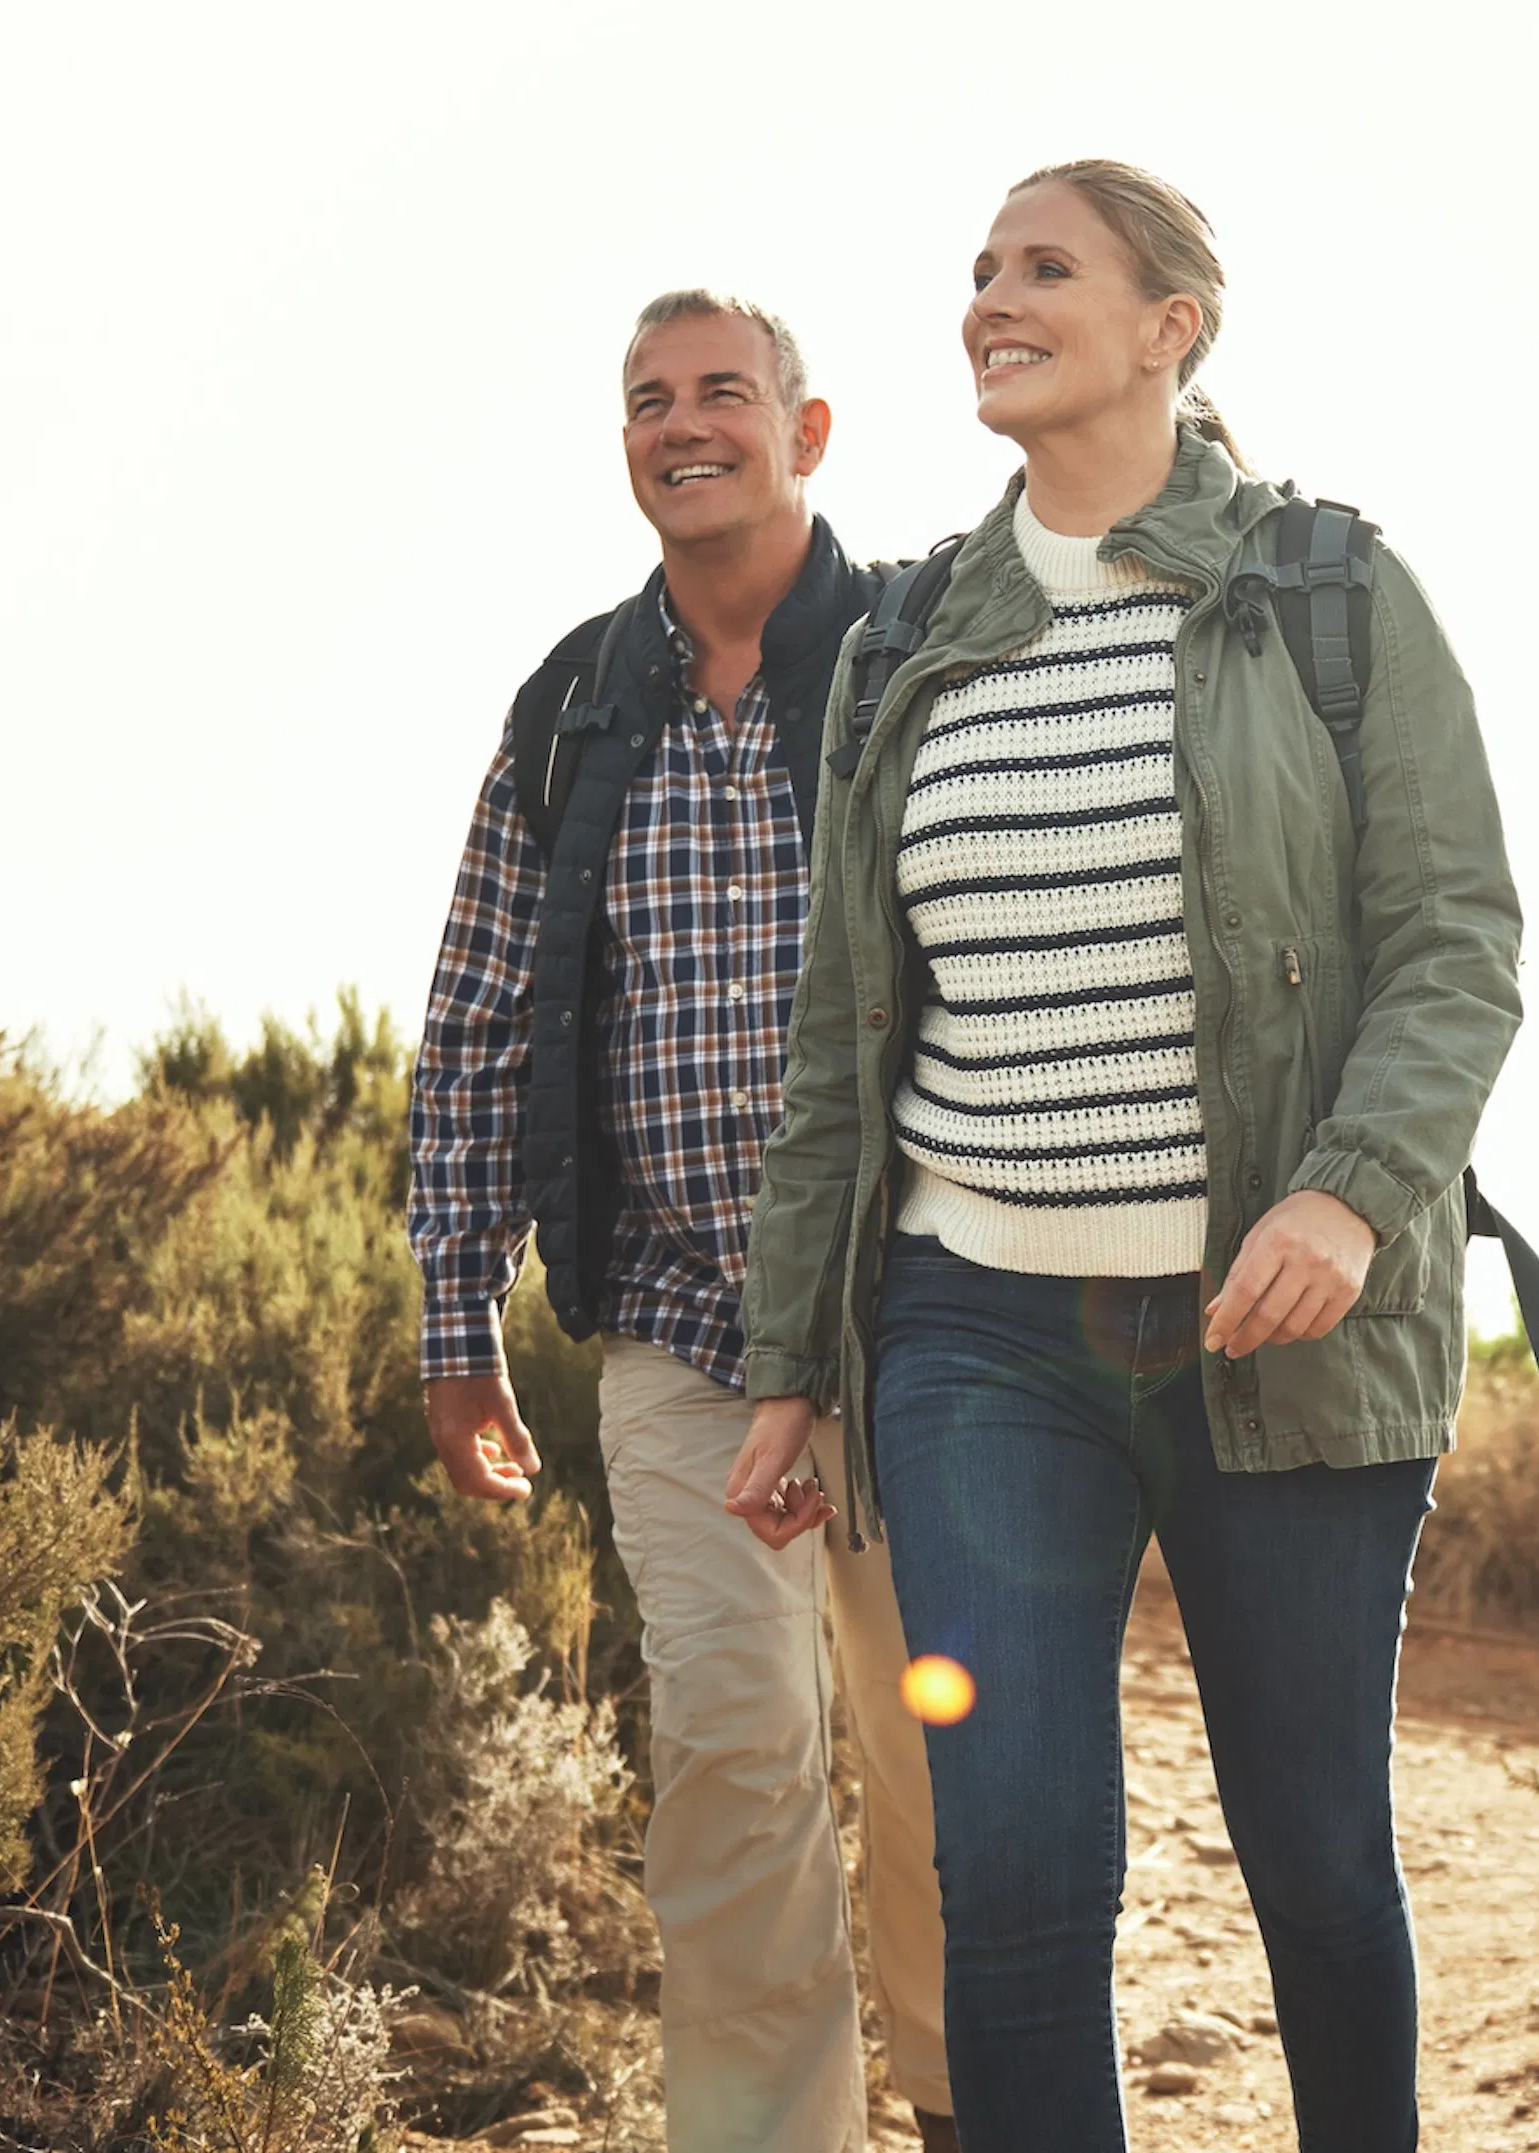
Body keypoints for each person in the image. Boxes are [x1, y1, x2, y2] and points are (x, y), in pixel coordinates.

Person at [724, 161, 1524, 2152]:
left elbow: (1457, 948)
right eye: (981, 270)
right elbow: (843, 1031)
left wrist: (1346, 1191)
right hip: (975, 1332)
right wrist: (792, 1358)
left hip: (1284, 1334)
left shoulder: (1330, 593)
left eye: (1046, 267)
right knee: (1007, 1879)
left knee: (1320, 1866)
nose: (994, 297)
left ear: (1172, 324)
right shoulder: (907, 642)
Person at [407, 290, 954, 2153]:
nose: (683, 422)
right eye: (649, 399)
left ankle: (969, 2109)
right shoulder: (571, 706)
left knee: (945, 1762)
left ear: (809, 434)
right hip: (674, 1332)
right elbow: (478, 1012)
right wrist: (452, 1311)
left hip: (929, 1324)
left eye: (726, 390)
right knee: (731, 1763)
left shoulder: (919, 656)